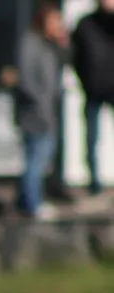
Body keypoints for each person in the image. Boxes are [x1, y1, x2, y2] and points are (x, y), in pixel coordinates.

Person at [14, 2, 69, 220]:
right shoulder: (29, 43)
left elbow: (66, 63)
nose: (57, 25)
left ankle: (24, 200)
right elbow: (26, 79)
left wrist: (62, 43)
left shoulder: (49, 45)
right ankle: (32, 203)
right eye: (54, 20)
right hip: (34, 113)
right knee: (35, 158)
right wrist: (40, 103)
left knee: (40, 157)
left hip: (48, 112)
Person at [72, 0, 114, 195]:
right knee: (91, 138)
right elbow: (75, 56)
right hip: (93, 89)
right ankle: (94, 182)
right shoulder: (86, 24)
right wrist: (85, 80)